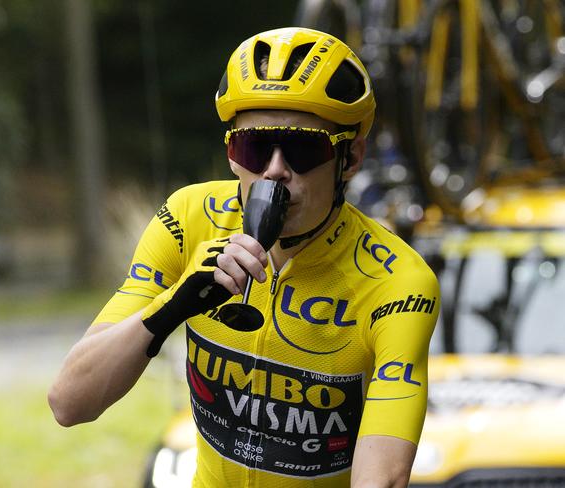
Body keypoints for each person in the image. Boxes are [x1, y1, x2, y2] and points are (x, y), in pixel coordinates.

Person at [48, 27, 439, 488]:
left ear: (350, 158)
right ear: (232, 154)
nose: (275, 170)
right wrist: (173, 305)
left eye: (301, 148)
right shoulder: (189, 220)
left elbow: (382, 477)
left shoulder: (397, 281)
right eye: (253, 146)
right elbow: (69, 402)